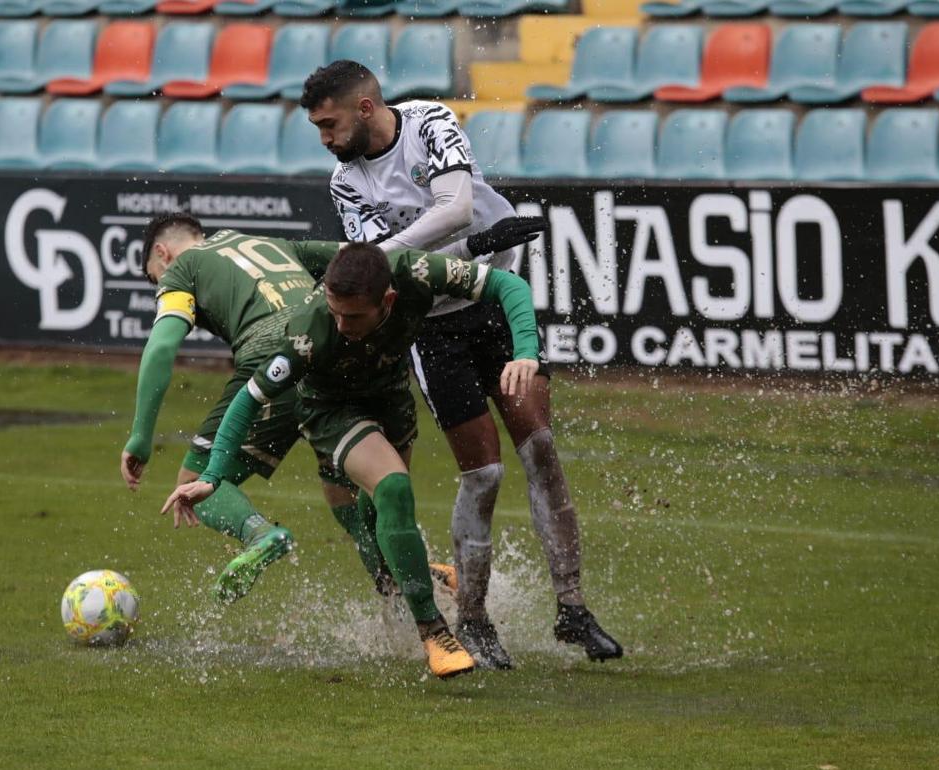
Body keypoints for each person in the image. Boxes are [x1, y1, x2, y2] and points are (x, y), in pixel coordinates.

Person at [299, 60, 622, 668]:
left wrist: (399, 255)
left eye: (329, 123)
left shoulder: (430, 121)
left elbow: (454, 207)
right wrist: (466, 248)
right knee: (485, 474)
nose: (325, 138)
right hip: (433, 327)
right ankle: (473, 619)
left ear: (364, 108)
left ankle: (573, 607)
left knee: (541, 448)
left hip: (492, 298)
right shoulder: (345, 181)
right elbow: (400, 257)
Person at [161, 240, 542, 679]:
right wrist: (211, 476)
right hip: (330, 411)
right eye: (335, 311)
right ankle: (433, 630)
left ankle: (411, 578)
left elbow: (507, 285)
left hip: (391, 397)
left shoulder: (417, 274)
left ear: (389, 300)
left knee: (375, 511)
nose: (341, 325)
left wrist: (526, 351)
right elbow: (248, 399)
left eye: (354, 315)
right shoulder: (309, 332)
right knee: (393, 487)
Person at [123, 214, 397, 603]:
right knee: (343, 493)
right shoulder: (269, 243)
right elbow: (367, 259)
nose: (159, 285)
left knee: (193, 478)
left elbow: (163, 347)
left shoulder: (181, 267)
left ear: (162, 254)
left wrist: (140, 437)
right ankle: (402, 588)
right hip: (330, 351)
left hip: (273, 359)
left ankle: (260, 534)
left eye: (154, 278)